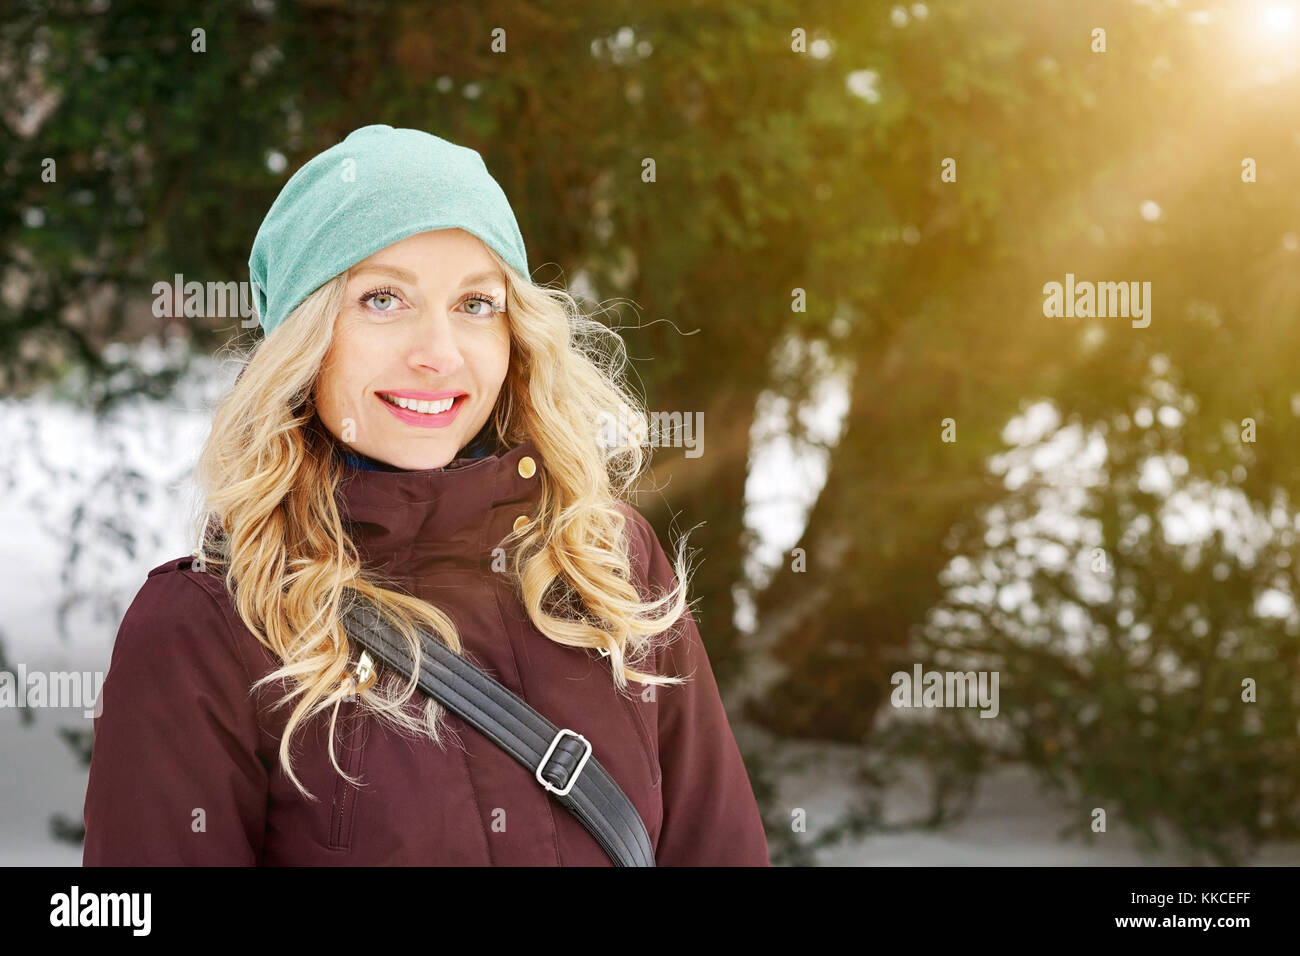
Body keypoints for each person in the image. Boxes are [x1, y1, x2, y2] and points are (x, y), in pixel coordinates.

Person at [81, 124, 770, 866]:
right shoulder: (206, 632)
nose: (438, 354)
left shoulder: (606, 562)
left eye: (476, 304)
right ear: (303, 339)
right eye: (382, 298)